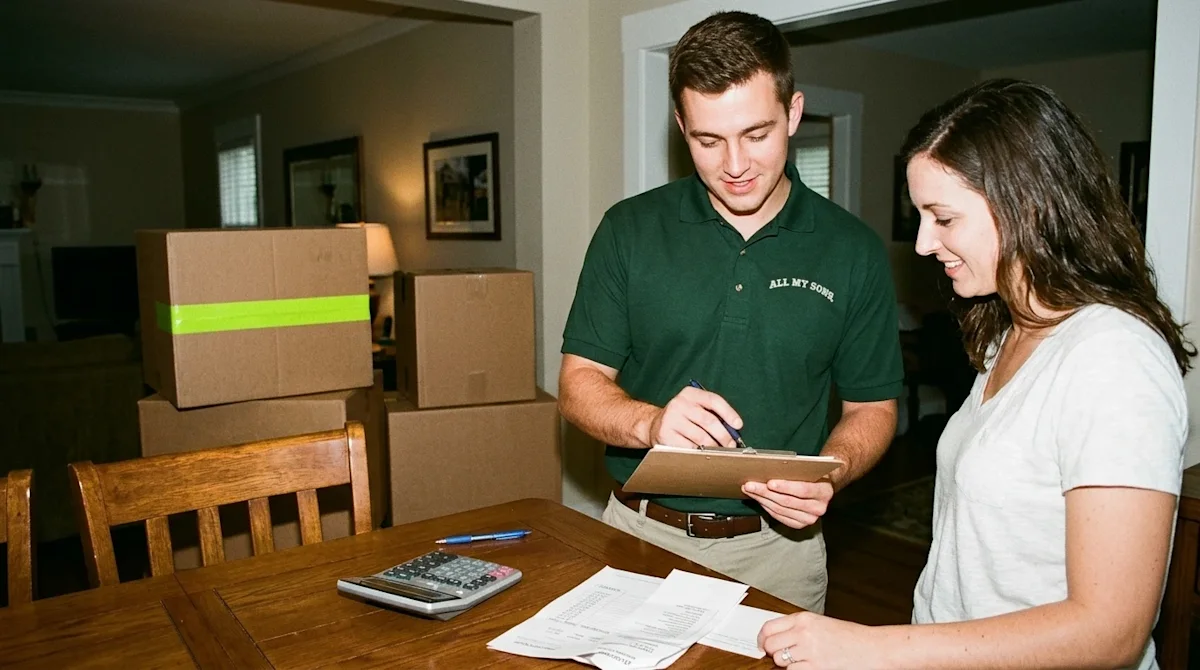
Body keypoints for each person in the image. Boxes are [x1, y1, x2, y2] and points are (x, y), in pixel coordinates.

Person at [759, 78, 1193, 669]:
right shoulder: (1008, 333)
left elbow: (1111, 630)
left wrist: (871, 648)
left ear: (1026, 205)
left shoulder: (1115, 358)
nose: (922, 243)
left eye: (943, 218)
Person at [557, 10, 903, 612]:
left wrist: (831, 472)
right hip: (638, 536)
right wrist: (650, 424)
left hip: (780, 556)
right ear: (680, 126)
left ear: (793, 113)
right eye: (708, 141)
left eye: (757, 134)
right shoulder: (628, 230)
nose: (735, 165)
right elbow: (578, 383)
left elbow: (872, 407)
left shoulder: (853, 251)